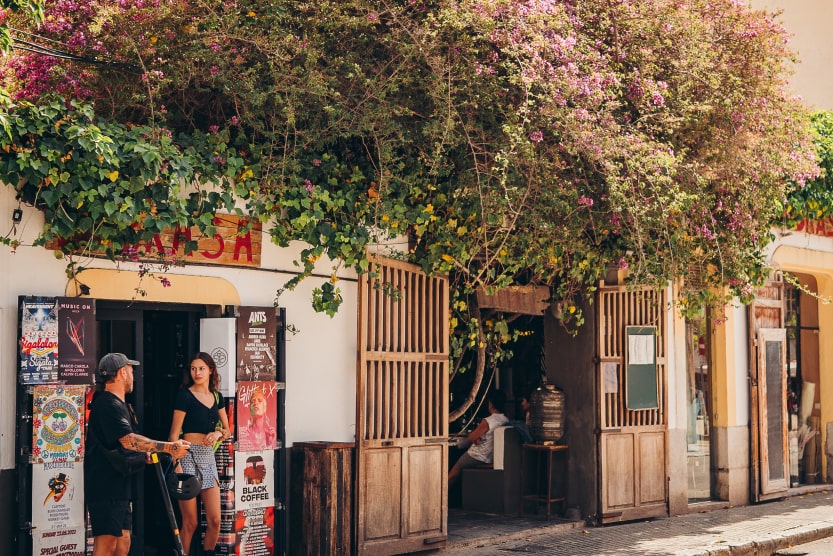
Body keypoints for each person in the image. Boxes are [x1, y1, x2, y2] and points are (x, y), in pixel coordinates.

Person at [85, 353, 190, 556]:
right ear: (122, 373)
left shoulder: (120, 405)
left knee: (123, 541)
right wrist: (168, 447)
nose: (133, 376)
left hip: (121, 485)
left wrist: (146, 455)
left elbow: (121, 446)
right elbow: (128, 440)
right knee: (107, 542)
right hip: (106, 486)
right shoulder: (107, 404)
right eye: (131, 371)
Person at [168, 352, 232, 556]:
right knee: (191, 522)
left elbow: (228, 431)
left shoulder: (217, 397)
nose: (197, 372)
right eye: (193, 368)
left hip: (207, 457)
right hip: (186, 455)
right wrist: (176, 462)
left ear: (211, 370)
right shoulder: (185, 395)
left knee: (215, 520)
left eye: (202, 368)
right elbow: (173, 434)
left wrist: (216, 433)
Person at [448, 390, 508, 486]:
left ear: (490, 404)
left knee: (453, 473)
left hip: (478, 456)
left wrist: (472, 437)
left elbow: (471, 438)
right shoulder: (505, 420)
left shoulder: (488, 421)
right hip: (490, 456)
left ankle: (441, 495)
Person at [237, 386, 277, 451]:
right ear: (250, 408)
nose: (255, 403)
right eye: (253, 401)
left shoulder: (269, 435)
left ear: (265, 408)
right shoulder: (244, 433)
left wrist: (271, 443)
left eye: (259, 400)